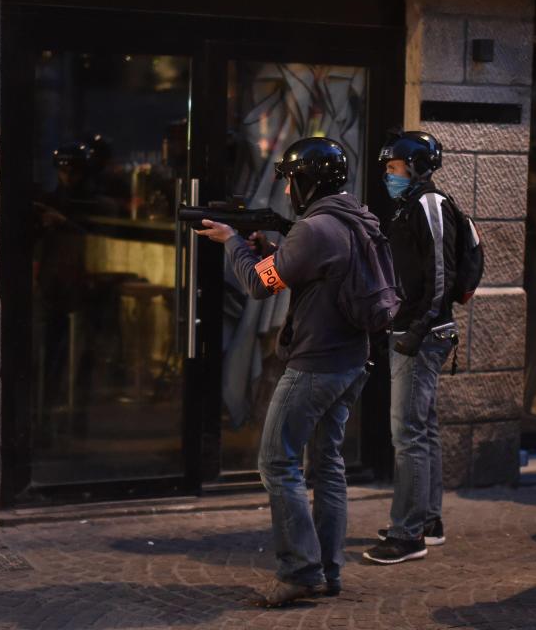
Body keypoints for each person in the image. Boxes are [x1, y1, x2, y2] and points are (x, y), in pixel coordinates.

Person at [196, 137, 373, 606]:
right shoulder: (355, 217)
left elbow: (259, 284)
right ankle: (328, 571)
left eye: (292, 179)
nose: (289, 188)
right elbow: (311, 271)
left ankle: (299, 570)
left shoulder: (314, 229)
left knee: (277, 461)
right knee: (328, 464)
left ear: (306, 181)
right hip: (353, 360)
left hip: (317, 364)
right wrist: (272, 247)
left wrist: (233, 243)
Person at [364, 130, 458, 565]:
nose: (388, 175)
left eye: (394, 167)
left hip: (422, 335)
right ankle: (427, 520)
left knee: (408, 435)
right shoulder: (408, 206)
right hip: (413, 331)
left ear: (418, 167)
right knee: (423, 428)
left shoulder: (430, 205)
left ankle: (408, 535)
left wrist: (418, 329)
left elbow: (440, 275)